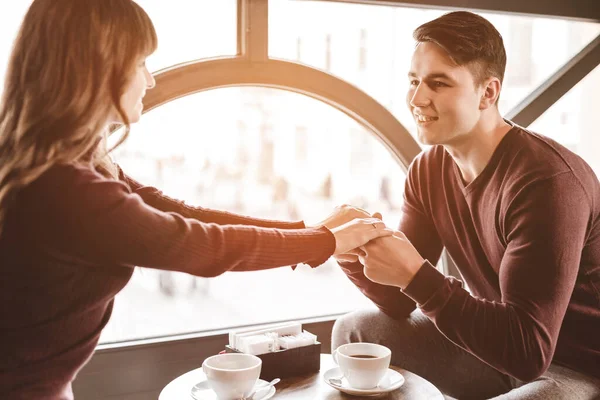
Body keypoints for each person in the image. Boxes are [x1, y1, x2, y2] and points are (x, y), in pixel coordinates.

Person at [0, 1, 391, 399]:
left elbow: (180, 213)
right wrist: (325, 241)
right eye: (139, 64)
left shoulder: (65, 164)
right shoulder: (64, 186)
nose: (149, 81)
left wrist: (313, 231)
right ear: (95, 69)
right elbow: (202, 246)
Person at [332, 11, 600, 400]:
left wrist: (418, 276)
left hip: (576, 368)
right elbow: (395, 299)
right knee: (357, 332)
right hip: (492, 352)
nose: (416, 98)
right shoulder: (429, 170)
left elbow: (529, 351)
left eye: (438, 83)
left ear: (488, 93)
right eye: (414, 81)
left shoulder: (546, 182)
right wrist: (349, 253)